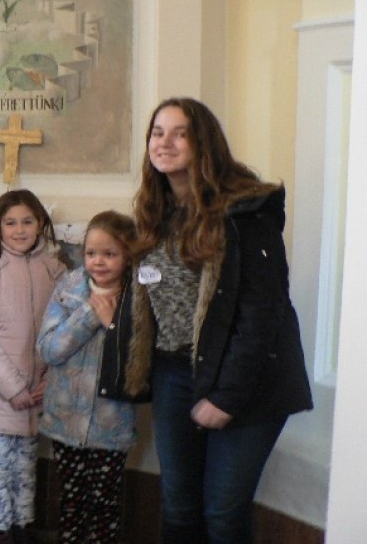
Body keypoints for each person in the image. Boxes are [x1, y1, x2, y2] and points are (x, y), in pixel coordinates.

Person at [129, 98, 313, 544]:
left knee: (223, 513)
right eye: (157, 132)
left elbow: (263, 314)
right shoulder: (155, 212)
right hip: (175, 373)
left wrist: (226, 397)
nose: (165, 142)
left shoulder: (245, 212)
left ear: (204, 143)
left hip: (247, 379)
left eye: (180, 133)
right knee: (178, 507)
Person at [37, 210, 147, 543]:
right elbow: (49, 350)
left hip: (110, 424)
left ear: (127, 255)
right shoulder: (70, 287)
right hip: (65, 420)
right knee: (71, 503)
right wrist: (90, 314)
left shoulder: (139, 294)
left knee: (104, 504)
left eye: (109, 253)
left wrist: (114, 325)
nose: (98, 261)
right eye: (91, 253)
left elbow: (142, 361)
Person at [0, 189, 65, 544]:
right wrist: (13, 388)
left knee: (27, 466)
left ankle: (24, 527)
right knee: (0, 467)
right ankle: (0, 531)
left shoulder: (55, 269)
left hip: (40, 389)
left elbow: (65, 329)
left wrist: (49, 379)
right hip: (0, 393)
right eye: (10, 223)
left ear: (40, 223)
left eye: (27, 221)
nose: (19, 230)